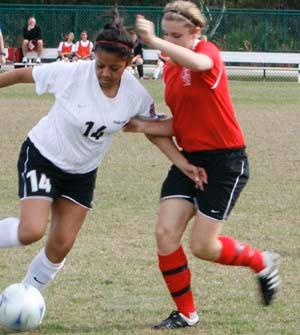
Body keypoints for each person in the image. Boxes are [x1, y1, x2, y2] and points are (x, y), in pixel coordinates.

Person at [0, 8, 206, 302]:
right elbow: (22, 74)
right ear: (94, 57)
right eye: (100, 65)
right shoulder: (70, 73)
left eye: (114, 68)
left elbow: (154, 130)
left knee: (60, 245)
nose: (104, 74)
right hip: (43, 156)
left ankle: (24, 300)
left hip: (82, 173)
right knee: (31, 231)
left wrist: (183, 163)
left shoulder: (135, 95)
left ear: (128, 63)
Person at [127, 0, 281, 329]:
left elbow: (197, 62)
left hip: (226, 161)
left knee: (203, 246)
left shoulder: (208, 53)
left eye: (177, 35)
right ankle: (186, 313)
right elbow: (181, 124)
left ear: (196, 32)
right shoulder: (169, 68)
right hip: (190, 158)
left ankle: (262, 262)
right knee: (165, 233)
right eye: (166, 34)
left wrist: (154, 41)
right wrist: (145, 126)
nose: (170, 40)